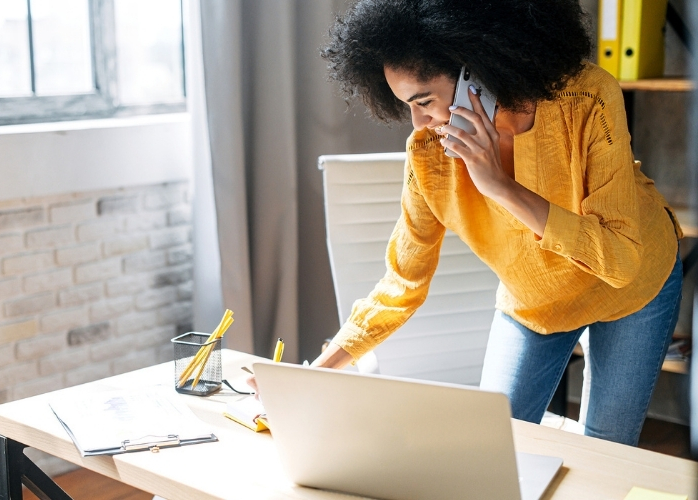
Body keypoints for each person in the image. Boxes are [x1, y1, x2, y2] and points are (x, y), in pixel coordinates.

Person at [250, 0, 683, 447]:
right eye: (406, 106)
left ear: (476, 70)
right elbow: (403, 283)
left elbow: (621, 259)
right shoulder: (428, 156)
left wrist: (499, 185)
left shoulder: (587, 98)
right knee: (490, 444)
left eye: (424, 101)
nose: (418, 122)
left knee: (605, 450)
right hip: (536, 302)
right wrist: (313, 374)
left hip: (634, 286)